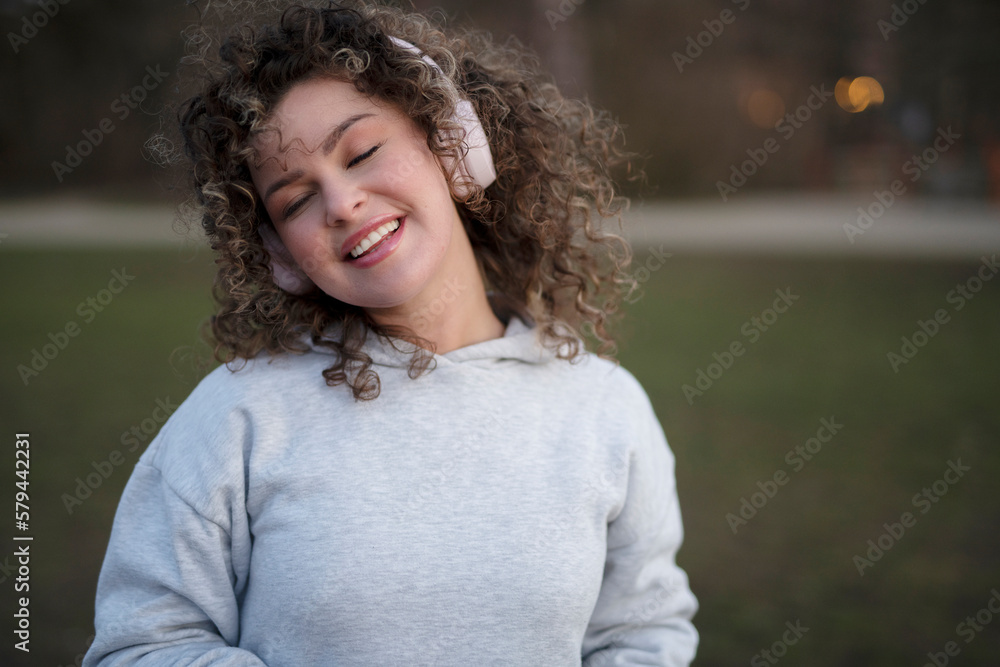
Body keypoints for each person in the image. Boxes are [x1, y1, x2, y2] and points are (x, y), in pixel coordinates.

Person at [83, 2, 699, 665]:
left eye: (363, 151)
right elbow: (142, 644)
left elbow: (642, 634)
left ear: (453, 143)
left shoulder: (607, 409)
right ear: (281, 254)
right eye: (295, 200)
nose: (342, 203)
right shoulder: (235, 420)